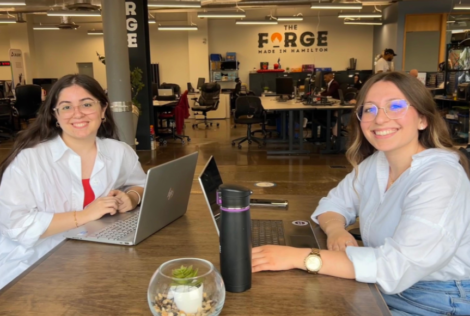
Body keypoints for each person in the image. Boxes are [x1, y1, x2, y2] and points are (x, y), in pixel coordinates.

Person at [252, 72, 470, 316]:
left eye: (395, 106)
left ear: (423, 119)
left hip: (437, 298)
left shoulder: (441, 177)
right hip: (385, 286)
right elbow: (331, 204)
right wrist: (336, 230)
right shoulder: (377, 164)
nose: (379, 118)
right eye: (369, 109)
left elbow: (396, 267)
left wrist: (300, 258)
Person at [0, 74, 146, 289]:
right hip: (37, 262)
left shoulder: (119, 151)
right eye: (66, 107)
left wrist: (132, 197)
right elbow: (17, 225)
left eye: (87, 104)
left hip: (97, 253)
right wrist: (85, 215)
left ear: (103, 109)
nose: (77, 113)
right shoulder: (29, 160)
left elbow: (141, 183)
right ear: (55, 115)